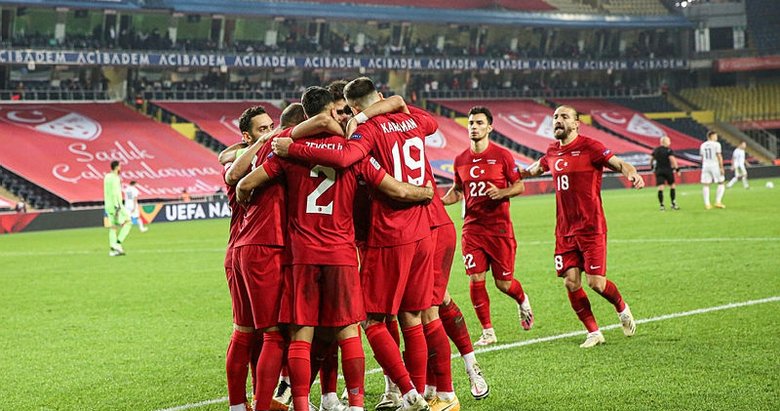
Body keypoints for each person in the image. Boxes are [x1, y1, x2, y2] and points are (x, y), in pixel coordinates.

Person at [237, 86, 436, 411]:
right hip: (342, 254)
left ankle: (300, 403)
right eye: (340, 111)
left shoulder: (287, 152)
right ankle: (359, 403)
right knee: (348, 331)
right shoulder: (353, 152)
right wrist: (423, 194)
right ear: (330, 112)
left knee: (301, 335)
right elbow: (392, 187)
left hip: (301, 255)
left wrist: (246, 198)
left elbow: (244, 181)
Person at [524, 105, 641, 348]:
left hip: (591, 227)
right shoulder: (551, 151)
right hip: (564, 230)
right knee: (570, 281)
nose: (558, 121)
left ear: (577, 123)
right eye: (555, 117)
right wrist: (515, 174)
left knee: (596, 283)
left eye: (564, 117)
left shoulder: (591, 147)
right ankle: (594, 332)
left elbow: (619, 164)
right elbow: (535, 168)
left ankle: (622, 308)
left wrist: (632, 173)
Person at [441, 106, 533, 348]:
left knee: (503, 283)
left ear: (489, 127)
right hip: (472, 229)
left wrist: (501, 192)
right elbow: (458, 191)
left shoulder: (502, 156)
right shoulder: (460, 159)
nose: (474, 127)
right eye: (471, 123)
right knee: (475, 278)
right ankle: (488, 331)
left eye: (479, 123)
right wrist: (439, 202)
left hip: (499, 229)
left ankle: (522, 299)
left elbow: (519, 186)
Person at [224, 105, 285, 411]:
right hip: (253, 252)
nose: (270, 131)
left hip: (242, 253)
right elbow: (233, 173)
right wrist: (260, 143)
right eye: (263, 128)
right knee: (267, 332)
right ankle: (258, 403)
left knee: (250, 333)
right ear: (248, 136)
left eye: (271, 125)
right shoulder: (247, 160)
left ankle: (246, 404)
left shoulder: (260, 155)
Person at [104, 160, 131, 256]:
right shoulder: (115, 178)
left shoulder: (107, 177)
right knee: (128, 222)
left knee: (113, 227)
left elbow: (108, 192)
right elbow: (115, 193)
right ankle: (118, 244)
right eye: (120, 166)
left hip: (108, 205)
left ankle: (112, 250)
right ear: (117, 167)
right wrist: (117, 207)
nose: (121, 168)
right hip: (116, 205)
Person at [651, 136, 680, 211]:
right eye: (669, 141)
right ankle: (673, 203)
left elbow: (651, 159)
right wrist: (677, 169)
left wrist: (651, 166)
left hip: (659, 170)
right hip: (667, 170)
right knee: (672, 186)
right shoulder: (668, 150)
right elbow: (672, 159)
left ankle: (662, 205)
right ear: (665, 142)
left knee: (661, 187)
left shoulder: (656, 150)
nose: (670, 142)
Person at [700, 131, 726, 209]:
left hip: (705, 165)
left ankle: (707, 204)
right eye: (715, 136)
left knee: (706, 184)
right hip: (715, 165)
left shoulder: (703, 145)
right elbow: (719, 156)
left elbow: (702, 157)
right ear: (711, 136)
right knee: (721, 182)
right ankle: (718, 201)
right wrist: (721, 167)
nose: (716, 138)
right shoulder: (717, 144)